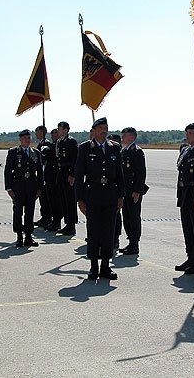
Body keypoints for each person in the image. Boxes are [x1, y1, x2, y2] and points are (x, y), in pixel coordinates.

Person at [75, 117, 125, 280]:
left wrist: (121, 195)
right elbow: (79, 175)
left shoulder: (114, 147)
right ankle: (93, 267)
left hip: (110, 195)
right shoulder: (85, 148)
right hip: (92, 195)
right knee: (93, 231)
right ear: (94, 131)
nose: (104, 131)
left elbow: (120, 174)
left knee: (108, 232)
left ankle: (105, 266)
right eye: (101, 128)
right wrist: (79, 199)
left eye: (106, 128)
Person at [174, 123, 194, 275]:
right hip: (185, 194)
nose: (187, 135)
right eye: (187, 133)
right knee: (187, 229)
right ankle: (190, 257)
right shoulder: (186, 150)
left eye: (191, 133)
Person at [4, 129, 44, 247]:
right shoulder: (13, 152)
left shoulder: (35, 153)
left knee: (29, 212)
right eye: (25, 138)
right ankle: (19, 236)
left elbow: (40, 172)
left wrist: (40, 188)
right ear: (20, 139)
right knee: (18, 212)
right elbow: (8, 171)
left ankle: (28, 236)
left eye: (29, 138)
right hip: (18, 187)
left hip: (31, 187)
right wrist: (9, 188)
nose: (28, 140)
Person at [119, 127, 148, 255]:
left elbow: (141, 173)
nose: (122, 137)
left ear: (132, 137)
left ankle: (134, 243)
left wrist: (137, 191)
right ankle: (130, 241)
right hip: (125, 189)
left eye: (125, 135)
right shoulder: (123, 151)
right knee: (126, 216)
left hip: (133, 190)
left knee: (133, 217)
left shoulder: (136, 151)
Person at [55, 121, 79, 235]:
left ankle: (71, 225)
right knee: (63, 200)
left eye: (60, 129)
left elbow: (75, 160)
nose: (58, 131)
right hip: (61, 172)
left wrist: (73, 175)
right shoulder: (60, 142)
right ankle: (67, 223)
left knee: (70, 200)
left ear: (65, 130)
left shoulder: (71, 141)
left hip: (68, 172)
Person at [42, 128, 60, 231]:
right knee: (50, 200)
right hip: (49, 176)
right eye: (52, 134)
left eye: (55, 134)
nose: (53, 136)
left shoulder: (58, 145)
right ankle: (53, 220)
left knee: (55, 200)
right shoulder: (52, 145)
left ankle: (56, 221)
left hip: (54, 176)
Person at [34, 125, 52, 228]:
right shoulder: (40, 144)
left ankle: (48, 217)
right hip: (41, 174)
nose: (36, 134)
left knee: (46, 198)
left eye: (38, 132)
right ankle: (44, 216)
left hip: (46, 174)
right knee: (42, 197)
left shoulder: (47, 144)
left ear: (42, 133)